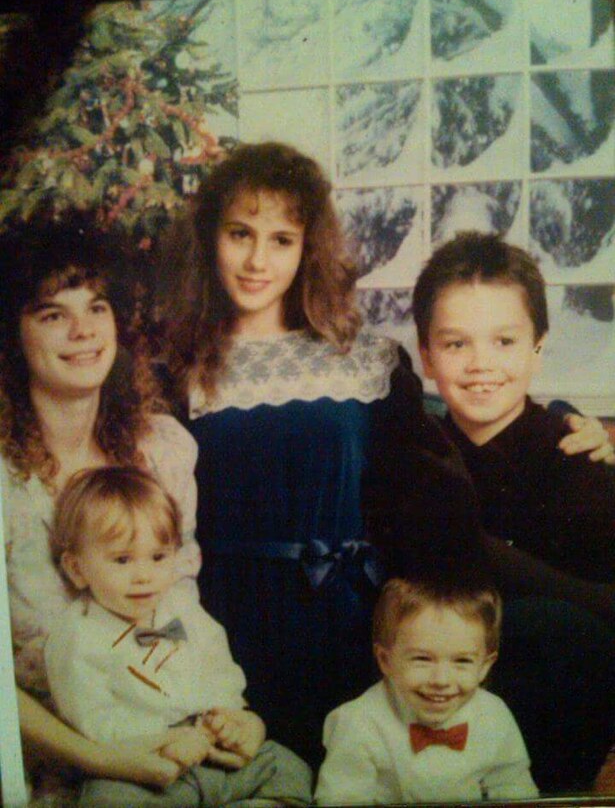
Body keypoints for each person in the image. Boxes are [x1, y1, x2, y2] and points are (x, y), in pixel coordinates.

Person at [162, 141, 611, 767]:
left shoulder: (366, 360)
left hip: (356, 618)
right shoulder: (174, 372)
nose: (258, 260)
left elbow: (434, 502)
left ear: (308, 248)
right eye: (240, 234)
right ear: (211, 238)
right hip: (231, 617)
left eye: (282, 240)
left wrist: (567, 417)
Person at [0, 214, 199, 795]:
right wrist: (106, 760)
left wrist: (213, 713)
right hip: (43, 759)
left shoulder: (160, 453)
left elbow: (183, 616)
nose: (83, 330)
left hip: (162, 729)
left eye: (97, 307)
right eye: (53, 314)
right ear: (14, 335)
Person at [411, 230, 615, 790]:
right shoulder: (413, 457)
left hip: (553, 744)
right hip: (421, 737)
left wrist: (487, 556)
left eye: (504, 341)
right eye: (456, 345)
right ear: (426, 355)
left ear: (538, 347)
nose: (481, 365)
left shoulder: (580, 458)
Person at [45, 465, 312, 806]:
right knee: (108, 800)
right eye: (122, 560)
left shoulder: (181, 606)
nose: (144, 575)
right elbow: (94, 721)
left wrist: (228, 717)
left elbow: (216, 661)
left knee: (287, 769)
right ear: (77, 569)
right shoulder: (77, 635)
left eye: (158, 557)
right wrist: (164, 739)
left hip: (212, 748)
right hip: (143, 764)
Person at [315, 576, 538, 804]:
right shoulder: (357, 722)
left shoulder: (493, 713)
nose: (441, 680)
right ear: (385, 661)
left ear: (484, 667)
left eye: (462, 661)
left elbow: (514, 788)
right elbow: (341, 799)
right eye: (422, 659)